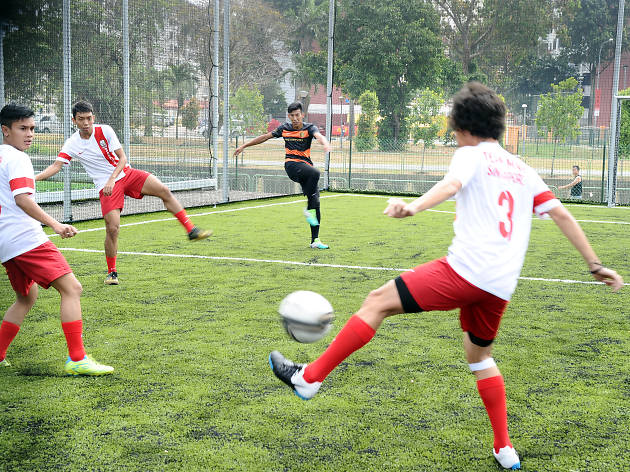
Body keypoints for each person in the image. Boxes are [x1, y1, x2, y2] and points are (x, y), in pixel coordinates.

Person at [268, 83, 624, 470]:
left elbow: (451, 185)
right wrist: (595, 264)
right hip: (500, 287)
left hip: (466, 271)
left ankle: (310, 378)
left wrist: (413, 206)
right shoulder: (522, 168)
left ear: (463, 126)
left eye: (453, 125)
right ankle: (505, 449)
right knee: (480, 356)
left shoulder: (470, 156)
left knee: (377, 301)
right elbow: (562, 214)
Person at [36, 100, 212, 285]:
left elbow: (123, 158)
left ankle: (191, 229)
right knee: (112, 229)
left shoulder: (105, 130)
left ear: (93, 117)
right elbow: (57, 166)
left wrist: (112, 178)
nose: (86, 122)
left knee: (164, 190)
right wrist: (34, 179)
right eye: (81, 119)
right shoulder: (72, 143)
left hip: (126, 174)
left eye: (89, 118)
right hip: (106, 187)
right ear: (74, 121)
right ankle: (112, 273)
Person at [0, 104, 114, 375]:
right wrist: (55, 224)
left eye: (32, 129)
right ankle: (77, 359)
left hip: (6, 243)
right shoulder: (17, 158)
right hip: (25, 238)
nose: (29, 134)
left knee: (26, 298)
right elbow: (22, 198)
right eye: (22, 129)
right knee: (72, 289)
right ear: (5, 130)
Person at [233, 102, 331, 249]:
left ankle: (315, 240)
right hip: (292, 166)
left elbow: (318, 135)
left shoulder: (309, 128)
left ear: (302, 115)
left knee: (315, 201)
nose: (295, 118)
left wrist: (325, 143)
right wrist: (244, 146)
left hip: (306, 169)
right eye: (292, 116)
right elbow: (265, 137)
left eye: (297, 115)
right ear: (289, 116)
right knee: (316, 173)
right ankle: (308, 211)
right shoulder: (284, 128)